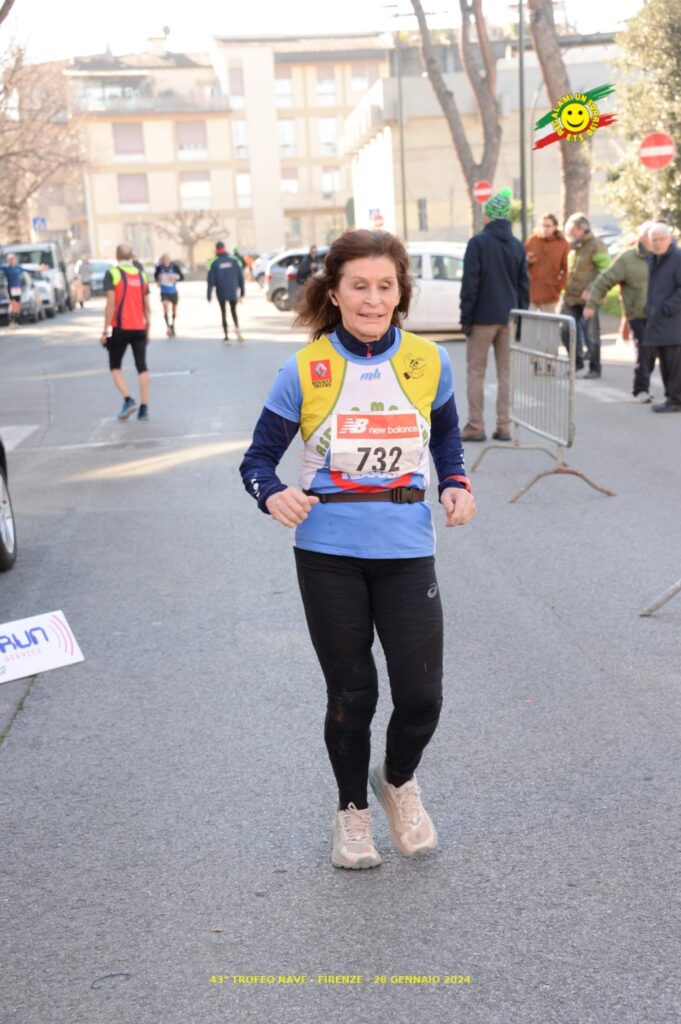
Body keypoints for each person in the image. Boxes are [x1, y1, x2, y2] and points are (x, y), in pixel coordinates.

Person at [239, 229, 476, 870]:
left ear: (400, 293)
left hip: (406, 547)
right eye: (359, 286)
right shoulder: (305, 369)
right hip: (328, 551)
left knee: (422, 696)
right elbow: (257, 460)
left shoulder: (430, 360)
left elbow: (446, 439)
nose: (373, 299)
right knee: (352, 693)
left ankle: (397, 780)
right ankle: (351, 812)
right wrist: (272, 494)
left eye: (385, 286)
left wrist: (455, 483)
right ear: (335, 293)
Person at [459, 187, 529, 443]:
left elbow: (470, 284)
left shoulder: (478, 243)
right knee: (505, 374)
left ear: (488, 215)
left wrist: (466, 317)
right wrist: (520, 318)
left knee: (476, 371)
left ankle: (476, 425)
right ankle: (504, 426)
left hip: (482, 317)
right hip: (508, 318)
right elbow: (524, 285)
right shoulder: (517, 245)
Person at [584, 223, 654, 402]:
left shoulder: (666, 257)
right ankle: (640, 390)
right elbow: (604, 280)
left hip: (662, 314)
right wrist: (591, 303)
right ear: (642, 238)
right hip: (638, 313)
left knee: (659, 353)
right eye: (652, 237)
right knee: (644, 350)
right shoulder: (628, 259)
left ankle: (672, 394)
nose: (657, 241)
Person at [100, 243, 151, 421]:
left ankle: (128, 400)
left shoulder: (113, 274)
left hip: (121, 328)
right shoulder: (142, 275)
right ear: (132, 257)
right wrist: (148, 328)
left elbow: (111, 305)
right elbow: (147, 307)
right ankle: (144, 407)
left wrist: (105, 330)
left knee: (115, 366)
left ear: (117, 257)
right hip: (139, 328)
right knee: (142, 366)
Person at [561, 213, 610, 377]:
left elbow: (605, 272)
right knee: (565, 329)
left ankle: (595, 368)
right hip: (571, 297)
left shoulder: (597, 245)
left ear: (582, 229)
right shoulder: (574, 246)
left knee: (591, 334)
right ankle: (576, 363)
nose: (569, 232)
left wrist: (591, 289)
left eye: (572, 229)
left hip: (589, 298)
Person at [642, 223, 681, 413]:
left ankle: (676, 400)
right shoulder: (653, 259)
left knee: (674, 364)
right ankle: (671, 398)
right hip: (659, 321)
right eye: (654, 239)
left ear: (669, 239)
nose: (657, 243)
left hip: (674, 321)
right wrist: (650, 308)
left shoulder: (677, 257)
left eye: (661, 239)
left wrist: (667, 307)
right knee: (665, 362)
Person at [524, 213, 569, 312]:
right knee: (528, 320)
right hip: (531, 291)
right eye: (542, 225)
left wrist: (559, 287)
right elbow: (521, 262)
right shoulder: (532, 240)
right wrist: (527, 261)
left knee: (549, 321)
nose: (545, 229)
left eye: (548, 226)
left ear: (555, 227)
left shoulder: (562, 244)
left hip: (550, 293)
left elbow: (566, 269)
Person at [207, 241, 245, 344]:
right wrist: (242, 292)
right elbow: (241, 277)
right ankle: (237, 328)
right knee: (233, 311)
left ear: (216, 249)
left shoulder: (214, 263)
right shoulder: (233, 261)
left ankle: (226, 336)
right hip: (232, 290)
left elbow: (211, 280)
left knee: (223, 312)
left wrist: (209, 295)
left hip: (221, 291)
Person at [154, 253, 184, 337]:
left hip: (173, 291)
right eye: (164, 259)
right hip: (164, 291)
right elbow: (156, 276)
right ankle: (168, 327)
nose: (166, 261)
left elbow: (181, 277)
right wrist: (158, 282)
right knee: (165, 306)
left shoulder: (175, 267)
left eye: (167, 259)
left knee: (174, 310)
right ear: (162, 260)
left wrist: (175, 279)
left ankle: (173, 325)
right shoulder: (159, 268)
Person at [1, 254, 23, 328]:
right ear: (8, 261)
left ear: (15, 259)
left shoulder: (18, 267)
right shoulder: (6, 267)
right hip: (11, 288)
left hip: (18, 289)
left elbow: (28, 270)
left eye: (13, 259)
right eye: (10, 259)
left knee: (18, 306)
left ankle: (16, 322)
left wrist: (38, 269)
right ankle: (11, 322)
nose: (12, 261)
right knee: (12, 304)